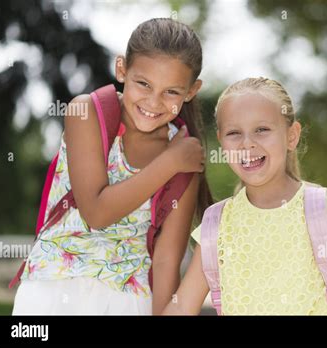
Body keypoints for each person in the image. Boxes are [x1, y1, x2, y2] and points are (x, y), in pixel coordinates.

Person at [12, 18, 211, 315]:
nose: (153, 101)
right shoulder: (87, 112)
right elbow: (96, 212)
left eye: (171, 92)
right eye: (143, 83)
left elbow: (167, 259)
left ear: (191, 91)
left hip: (128, 299)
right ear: (122, 70)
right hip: (53, 287)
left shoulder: (185, 158)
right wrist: (169, 162)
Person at [162, 77, 327, 315]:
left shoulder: (323, 208)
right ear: (221, 141)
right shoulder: (216, 224)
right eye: (234, 133)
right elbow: (183, 306)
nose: (247, 144)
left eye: (262, 130)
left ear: (292, 136)